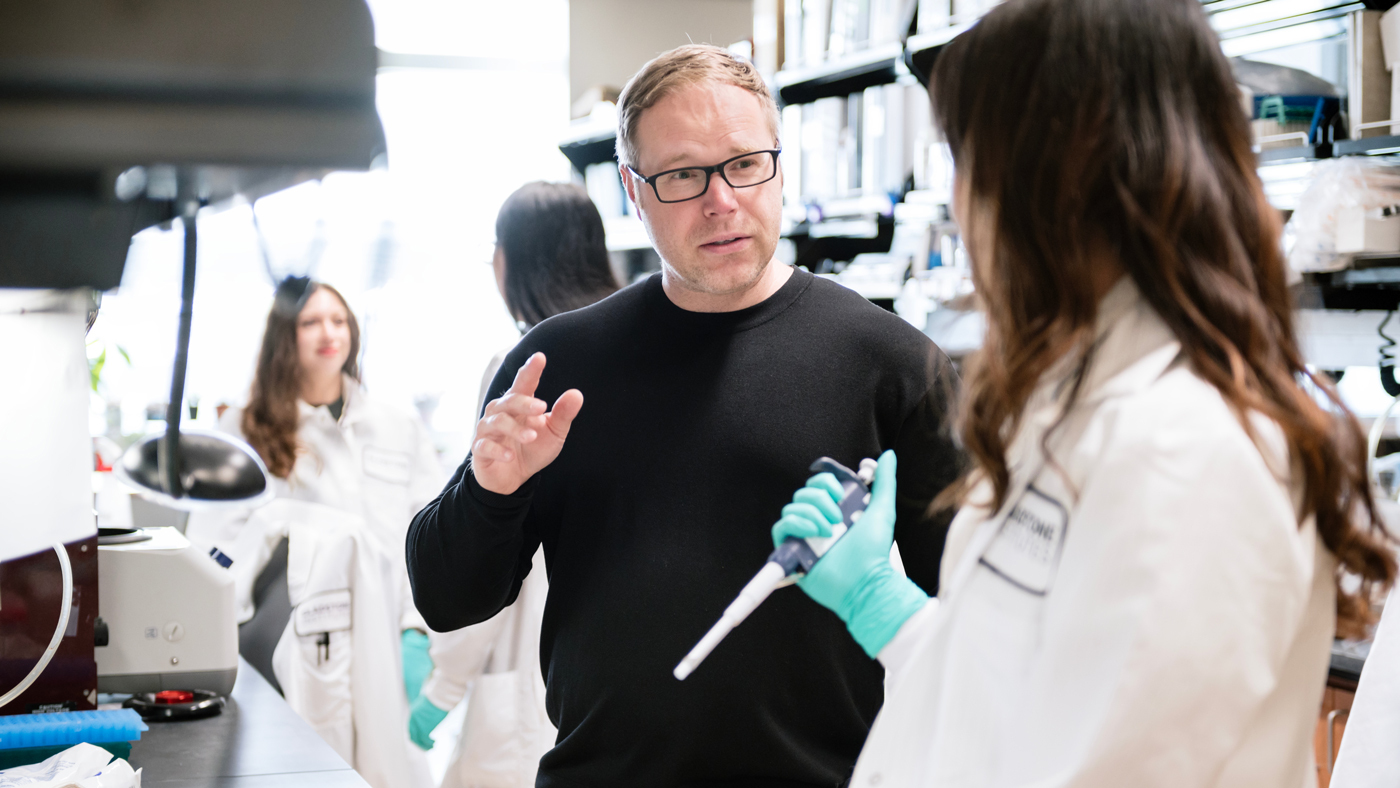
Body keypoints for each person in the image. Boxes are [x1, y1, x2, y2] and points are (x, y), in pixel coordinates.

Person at [769, 0, 1399, 785]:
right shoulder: (1082, 401)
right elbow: (1013, 701)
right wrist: (888, 611)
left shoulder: (1185, 454)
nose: (961, 206)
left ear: (1065, 177)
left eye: (972, 161)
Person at [407, 45, 965, 786]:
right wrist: (490, 491)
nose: (721, 199)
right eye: (682, 175)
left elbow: (978, 623)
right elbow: (448, 600)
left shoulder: (891, 363)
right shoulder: (557, 365)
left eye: (743, 163)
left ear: (779, 165)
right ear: (634, 193)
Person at [187, 277, 444, 788]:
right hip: (294, 650)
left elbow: (432, 533)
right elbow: (210, 551)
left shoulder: (395, 425)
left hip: (389, 639)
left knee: (388, 771)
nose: (329, 332)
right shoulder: (246, 429)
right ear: (285, 336)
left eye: (338, 319)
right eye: (311, 322)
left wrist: (419, 628)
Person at [406, 182, 618, 788]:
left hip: (533, 667)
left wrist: (443, 685)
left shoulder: (526, 365)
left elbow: (488, 545)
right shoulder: (640, 352)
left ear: (514, 260)